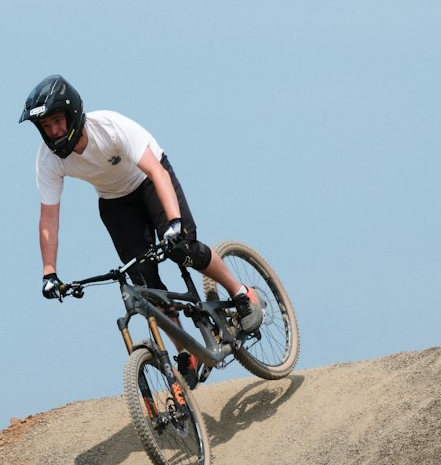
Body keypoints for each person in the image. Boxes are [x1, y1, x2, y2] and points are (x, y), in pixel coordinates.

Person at [19, 73, 262, 385]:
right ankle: (185, 352)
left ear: (73, 113)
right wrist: (49, 273)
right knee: (144, 281)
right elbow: (49, 220)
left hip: (148, 181)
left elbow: (156, 172)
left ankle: (242, 294)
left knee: (182, 248)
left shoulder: (109, 127)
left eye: (57, 120)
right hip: (115, 202)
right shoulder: (48, 160)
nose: (54, 131)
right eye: (46, 126)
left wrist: (174, 225)